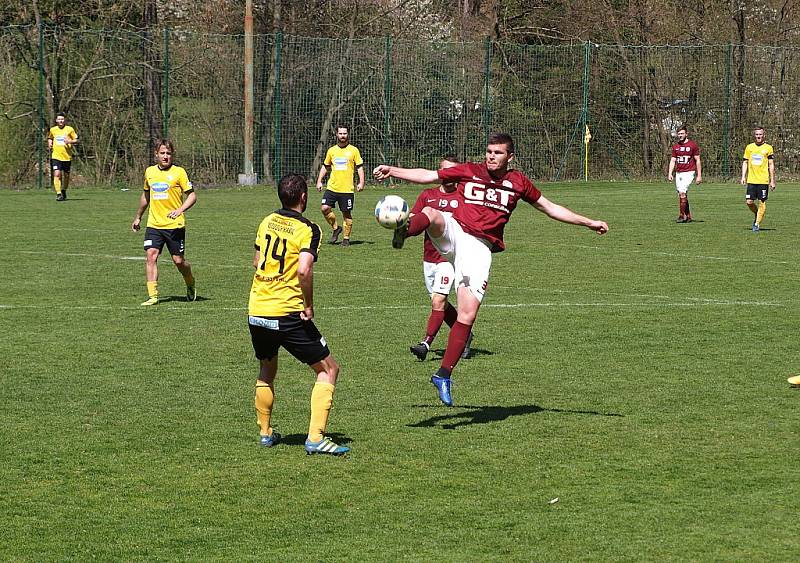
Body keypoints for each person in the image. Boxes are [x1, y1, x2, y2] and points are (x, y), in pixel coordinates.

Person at [373, 132, 608, 406]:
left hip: (479, 249)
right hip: (456, 232)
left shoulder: (518, 182)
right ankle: (404, 228)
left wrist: (588, 222)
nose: (491, 156)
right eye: (488, 151)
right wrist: (393, 170)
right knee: (435, 215)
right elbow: (429, 176)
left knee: (467, 313)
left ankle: (443, 374)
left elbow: (550, 208)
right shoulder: (470, 171)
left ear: (510, 156)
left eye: (497, 153)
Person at [249, 173, 349, 455]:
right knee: (329, 369)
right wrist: (308, 304)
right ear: (304, 197)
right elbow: (304, 269)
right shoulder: (309, 229)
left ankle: (266, 432)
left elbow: (257, 261)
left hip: (257, 309)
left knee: (267, 370)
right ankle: (316, 438)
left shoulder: (267, 220)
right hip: (287, 312)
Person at [408, 156, 473, 362]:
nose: (449, 175)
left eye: (453, 171)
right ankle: (465, 335)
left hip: (450, 259)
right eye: (445, 170)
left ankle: (425, 344)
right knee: (441, 305)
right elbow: (414, 221)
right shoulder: (428, 195)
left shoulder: (465, 198)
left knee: (438, 300)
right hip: (429, 259)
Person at [131, 139, 198, 306]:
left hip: (174, 226)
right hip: (154, 224)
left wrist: (180, 210)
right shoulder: (149, 172)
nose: (165, 156)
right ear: (156, 155)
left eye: (168, 153)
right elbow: (146, 196)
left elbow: (192, 196)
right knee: (151, 255)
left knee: (178, 261)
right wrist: (138, 216)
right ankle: (153, 295)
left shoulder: (179, 172)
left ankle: (190, 282)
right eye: (162, 153)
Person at [316, 125, 365, 247]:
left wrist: (361, 182)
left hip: (347, 189)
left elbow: (359, 167)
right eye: (340, 133)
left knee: (346, 213)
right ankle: (336, 228)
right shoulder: (331, 151)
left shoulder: (354, 150)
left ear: (348, 135)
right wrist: (319, 181)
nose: (343, 136)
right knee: (324, 208)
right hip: (332, 187)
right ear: (337, 135)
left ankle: (346, 238)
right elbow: (325, 166)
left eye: (345, 133)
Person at [740, 127, 775, 232]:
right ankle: (757, 213)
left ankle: (756, 223)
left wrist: (772, 180)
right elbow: (745, 162)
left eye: (760, 134)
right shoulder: (749, 147)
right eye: (757, 134)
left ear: (764, 135)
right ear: (754, 135)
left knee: (762, 202)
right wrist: (743, 176)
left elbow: (771, 164)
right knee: (749, 202)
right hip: (751, 180)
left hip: (763, 180)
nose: (758, 136)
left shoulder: (768, 148)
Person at [667, 125, 702, 223]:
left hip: (689, 172)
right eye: (678, 134)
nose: (680, 135)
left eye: (682, 133)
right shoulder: (676, 147)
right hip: (679, 173)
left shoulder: (693, 145)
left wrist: (699, 175)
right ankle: (688, 216)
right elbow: (673, 160)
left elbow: (697, 160)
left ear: (686, 134)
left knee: (682, 192)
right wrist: (670, 173)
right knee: (682, 194)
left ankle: (681, 216)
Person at [47, 112, 79, 201]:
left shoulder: (70, 129)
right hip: (56, 156)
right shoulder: (53, 130)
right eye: (59, 119)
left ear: (64, 120)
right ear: (56, 120)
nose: (61, 121)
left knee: (66, 176)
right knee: (57, 174)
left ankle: (64, 190)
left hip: (67, 157)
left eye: (62, 119)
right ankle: (58, 194)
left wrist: (70, 141)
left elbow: (76, 140)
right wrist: (49, 142)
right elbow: (50, 137)